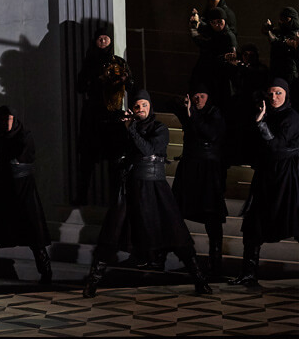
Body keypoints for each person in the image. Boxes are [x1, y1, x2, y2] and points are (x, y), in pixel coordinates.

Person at [83, 90, 212, 298]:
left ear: (150, 107)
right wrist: (118, 128)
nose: (140, 109)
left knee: (176, 233)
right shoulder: (126, 127)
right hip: (130, 187)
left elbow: (148, 149)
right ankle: (93, 282)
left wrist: (131, 129)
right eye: (136, 106)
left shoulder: (159, 128)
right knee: (111, 232)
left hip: (154, 186)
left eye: (144, 105)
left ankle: (199, 280)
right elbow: (113, 153)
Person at [0, 106, 52, 283]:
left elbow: (22, 156)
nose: (6, 123)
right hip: (2, 185)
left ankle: (46, 272)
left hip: (22, 186)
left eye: (9, 119)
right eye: (3, 119)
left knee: (34, 231)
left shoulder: (23, 135)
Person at [229, 79, 299, 286]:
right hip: (266, 177)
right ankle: (248, 274)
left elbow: (276, 146)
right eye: (270, 94)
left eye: (278, 93)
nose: (274, 97)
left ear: (286, 94)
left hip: (287, 178)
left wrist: (261, 125)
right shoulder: (265, 114)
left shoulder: (292, 117)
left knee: (295, 223)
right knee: (252, 225)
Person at [170, 85, 228, 279]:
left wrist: (192, 114)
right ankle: (172, 256)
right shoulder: (189, 111)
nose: (198, 99)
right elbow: (171, 103)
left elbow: (209, 133)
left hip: (208, 170)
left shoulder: (215, 113)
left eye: (202, 95)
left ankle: (216, 263)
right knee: (175, 211)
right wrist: (184, 105)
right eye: (195, 96)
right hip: (190, 167)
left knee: (211, 217)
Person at [74, 27, 133, 205]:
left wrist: (123, 80)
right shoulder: (89, 62)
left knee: (116, 159)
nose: (103, 42)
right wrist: (96, 77)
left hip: (113, 115)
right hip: (93, 115)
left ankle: (116, 198)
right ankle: (82, 196)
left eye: (105, 38)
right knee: (87, 160)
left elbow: (131, 84)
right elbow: (80, 87)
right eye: (100, 38)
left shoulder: (119, 62)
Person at [188, 7, 237, 108]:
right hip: (209, 72)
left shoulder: (228, 36)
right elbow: (204, 28)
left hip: (222, 77)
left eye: (219, 21)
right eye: (213, 22)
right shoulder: (212, 31)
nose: (216, 25)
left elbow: (231, 59)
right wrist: (196, 20)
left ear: (225, 20)